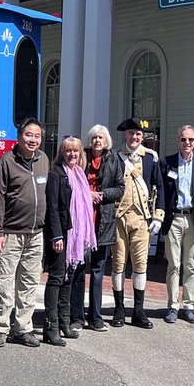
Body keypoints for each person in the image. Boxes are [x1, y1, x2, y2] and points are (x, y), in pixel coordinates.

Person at [0, 117, 50, 348]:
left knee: (29, 282)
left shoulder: (43, 159)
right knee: (4, 282)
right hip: (10, 232)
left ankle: (23, 328)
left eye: (37, 136)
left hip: (36, 233)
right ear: (19, 137)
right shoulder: (6, 161)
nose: (33, 140)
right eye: (29, 135)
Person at [42, 135, 98, 346]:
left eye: (76, 151)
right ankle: (51, 325)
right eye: (68, 151)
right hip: (62, 235)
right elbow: (53, 208)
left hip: (77, 237)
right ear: (62, 153)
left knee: (70, 277)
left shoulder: (80, 175)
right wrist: (56, 235)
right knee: (57, 278)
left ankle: (65, 322)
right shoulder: (57, 174)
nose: (72, 154)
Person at [154, 124, 194, 324]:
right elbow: (161, 191)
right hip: (173, 218)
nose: (187, 143)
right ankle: (172, 305)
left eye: (191, 140)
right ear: (178, 140)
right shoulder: (167, 163)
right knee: (174, 264)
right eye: (183, 139)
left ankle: (189, 305)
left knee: (190, 265)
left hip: (192, 218)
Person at [72, 123, 122, 331]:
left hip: (103, 221)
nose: (97, 141)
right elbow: (72, 182)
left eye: (101, 137)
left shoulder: (114, 160)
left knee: (99, 271)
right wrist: (87, 195)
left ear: (106, 141)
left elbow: (120, 187)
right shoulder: (81, 158)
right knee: (78, 270)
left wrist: (102, 195)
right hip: (82, 220)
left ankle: (96, 317)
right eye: (94, 137)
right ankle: (77, 316)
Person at [110, 117, 159, 329]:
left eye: (138, 134)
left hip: (141, 219)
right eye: (131, 133)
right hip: (118, 218)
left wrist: (158, 216)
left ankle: (138, 311)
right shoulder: (115, 158)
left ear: (143, 137)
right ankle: (119, 308)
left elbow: (159, 187)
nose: (135, 137)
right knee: (118, 264)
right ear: (125, 135)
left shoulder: (150, 158)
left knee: (140, 265)